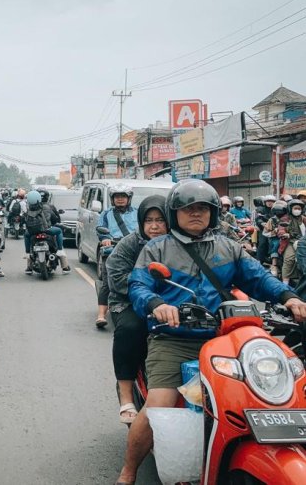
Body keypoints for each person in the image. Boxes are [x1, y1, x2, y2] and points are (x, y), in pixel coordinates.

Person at [115, 179, 306, 485]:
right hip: (174, 339)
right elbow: (139, 286)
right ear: (175, 212)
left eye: (202, 208)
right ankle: (129, 471)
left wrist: (290, 298)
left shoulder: (228, 248)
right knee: (159, 405)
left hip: (222, 339)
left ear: (213, 213)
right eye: (188, 208)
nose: (196, 214)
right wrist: (157, 303)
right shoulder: (157, 248)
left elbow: (258, 278)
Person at [105, 195, 167, 426]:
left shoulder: (178, 243)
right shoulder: (130, 244)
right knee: (131, 329)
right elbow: (117, 278)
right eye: (149, 220)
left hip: (173, 303)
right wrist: (148, 292)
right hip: (128, 302)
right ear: (141, 222)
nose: (154, 226)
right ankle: (126, 395)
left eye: (160, 220)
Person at [95, 184, 138, 329]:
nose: (120, 199)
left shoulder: (138, 213)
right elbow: (101, 230)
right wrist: (105, 238)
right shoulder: (106, 214)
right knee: (108, 282)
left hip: (136, 249)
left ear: (129, 198)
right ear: (112, 199)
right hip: (113, 250)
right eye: (117, 197)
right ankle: (101, 315)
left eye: (123, 196)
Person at [256, 194, 276, 263]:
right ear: (265, 202)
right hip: (264, 229)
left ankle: (274, 260)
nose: (270, 203)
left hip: (275, 230)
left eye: (272, 201)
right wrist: (262, 223)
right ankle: (259, 260)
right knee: (262, 243)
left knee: (275, 244)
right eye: (268, 201)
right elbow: (258, 219)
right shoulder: (261, 209)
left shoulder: (276, 209)